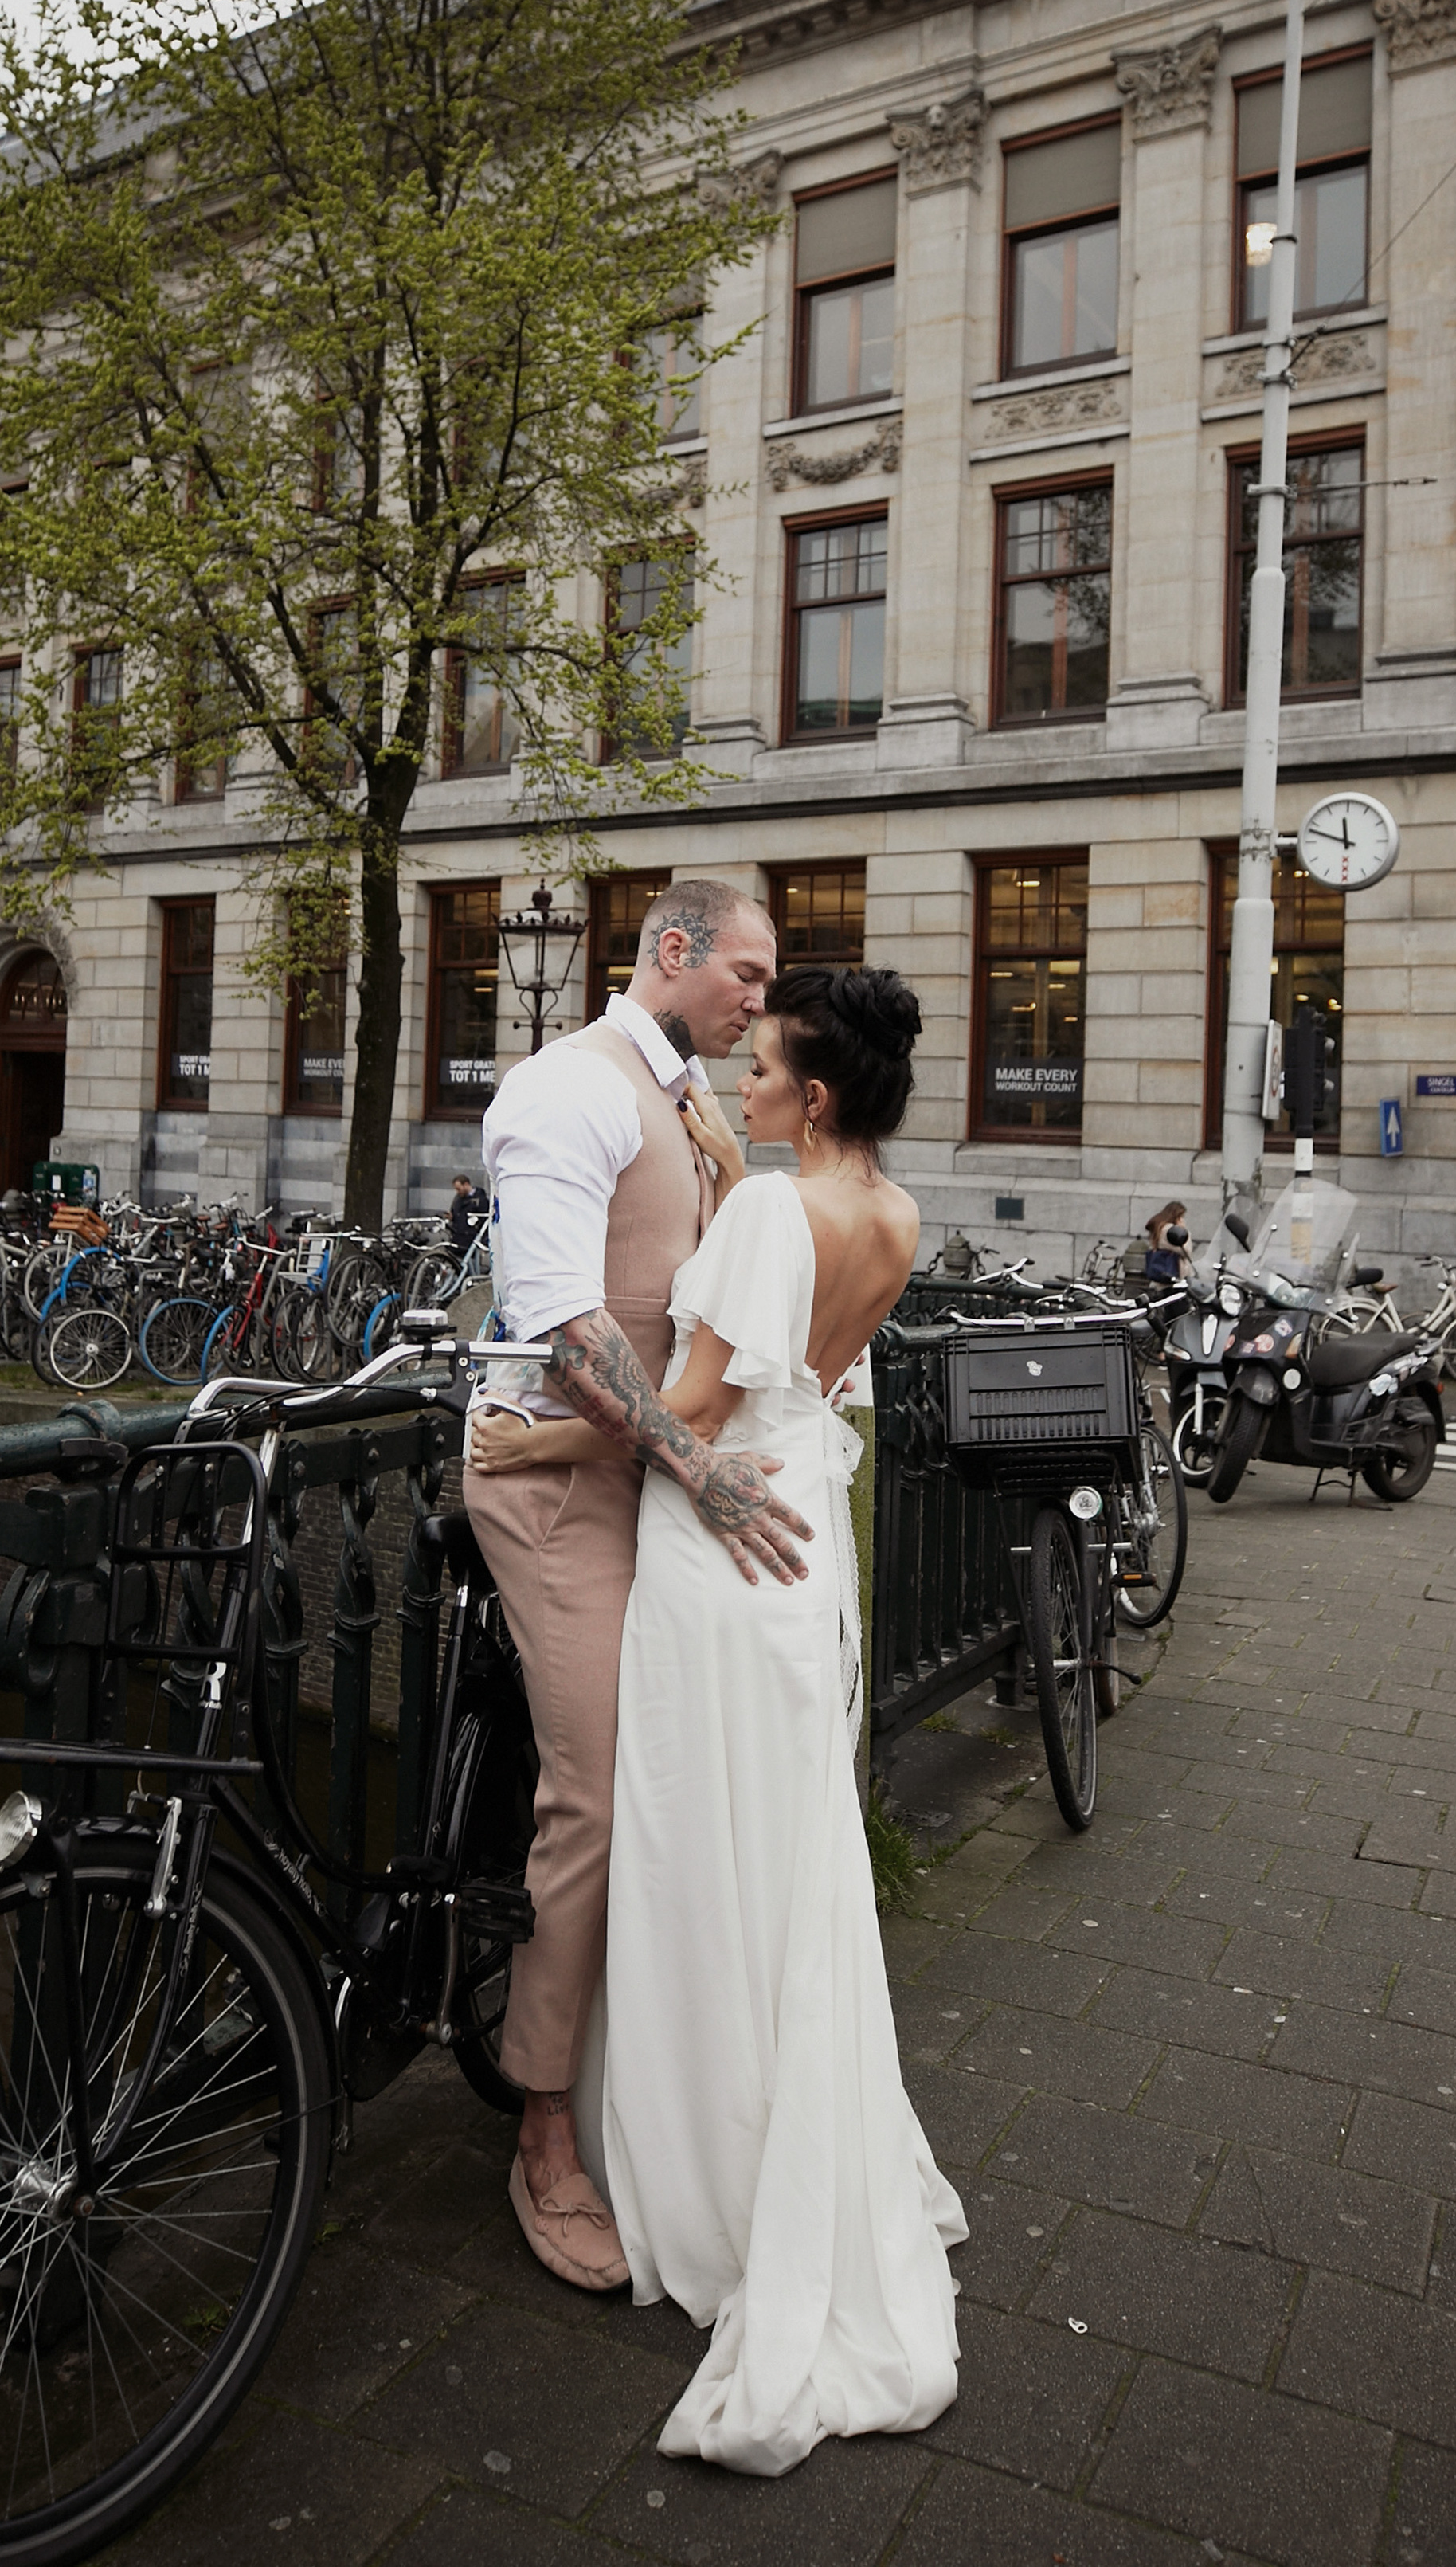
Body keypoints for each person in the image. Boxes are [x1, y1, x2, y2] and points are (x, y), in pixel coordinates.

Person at [472, 964, 965, 2471]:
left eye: (760, 1072)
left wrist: (521, 1421)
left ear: (812, 1095)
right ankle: (781, 2125)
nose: (736, 1090)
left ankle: (690, 2168)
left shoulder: (765, 1209)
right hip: (801, 1539)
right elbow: (809, 1388)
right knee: (783, 1857)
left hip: (712, 1545)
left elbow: (682, 1408)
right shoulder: (895, 1215)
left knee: (690, 1843)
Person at [462, 876, 806, 2293]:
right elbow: (563, 1326)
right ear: (670, 952)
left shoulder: (690, 1100)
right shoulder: (568, 1090)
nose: (757, 999)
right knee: (597, 1786)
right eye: (744, 968)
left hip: (650, 1474)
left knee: (682, 1772)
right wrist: (699, 1464)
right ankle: (542, 2118)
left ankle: (651, 2079)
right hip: (559, 1480)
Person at [447, 1174, 487, 1262]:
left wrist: (484, 1241)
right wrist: (451, 1217)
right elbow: (454, 1213)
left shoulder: (480, 1200)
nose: (457, 1192)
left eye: (459, 1189)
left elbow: (485, 1220)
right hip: (458, 1237)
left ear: (466, 1184)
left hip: (471, 1239)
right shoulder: (458, 1199)